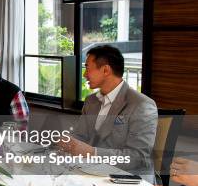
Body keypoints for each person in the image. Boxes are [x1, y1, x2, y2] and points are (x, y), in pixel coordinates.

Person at [59, 45, 157, 177]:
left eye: (87, 68)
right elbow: (81, 136)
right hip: (92, 173)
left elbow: (137, 157)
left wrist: (92, 153)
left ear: (105, 70)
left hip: (130, 179)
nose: (84, 74)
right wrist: (69, 142)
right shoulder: (91, 101)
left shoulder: (142, 105)